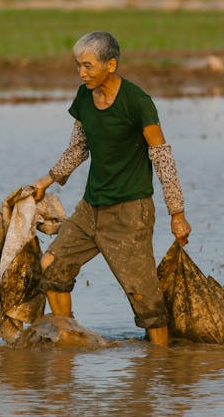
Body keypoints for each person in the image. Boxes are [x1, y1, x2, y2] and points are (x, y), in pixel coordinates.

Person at [32, 31, 191, 347]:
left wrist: (177, 214)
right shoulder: (83, 98)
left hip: (130, 213)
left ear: (111, 65)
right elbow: (78, 148)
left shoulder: (137, 102)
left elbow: (162, 158)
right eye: (79, 65)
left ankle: (162, 361)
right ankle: (68, 343)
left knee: (143, 296)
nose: (82, 73)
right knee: (52, 268)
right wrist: (46, 181)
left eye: (88, 66)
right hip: (90, 210)